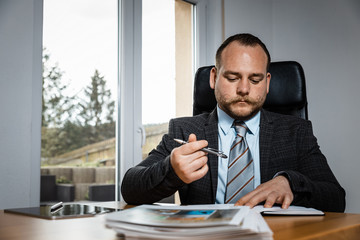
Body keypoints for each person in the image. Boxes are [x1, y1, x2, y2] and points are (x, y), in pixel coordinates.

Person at [121, 33, 345, 212]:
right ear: (214, 78)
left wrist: (291, 184)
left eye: (255, 79)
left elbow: (336, 198)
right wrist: (172, 170)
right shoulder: (185, 130)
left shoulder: (296, 132)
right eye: (232, 78)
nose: (244, 89)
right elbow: (130, 187)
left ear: (267, 83)